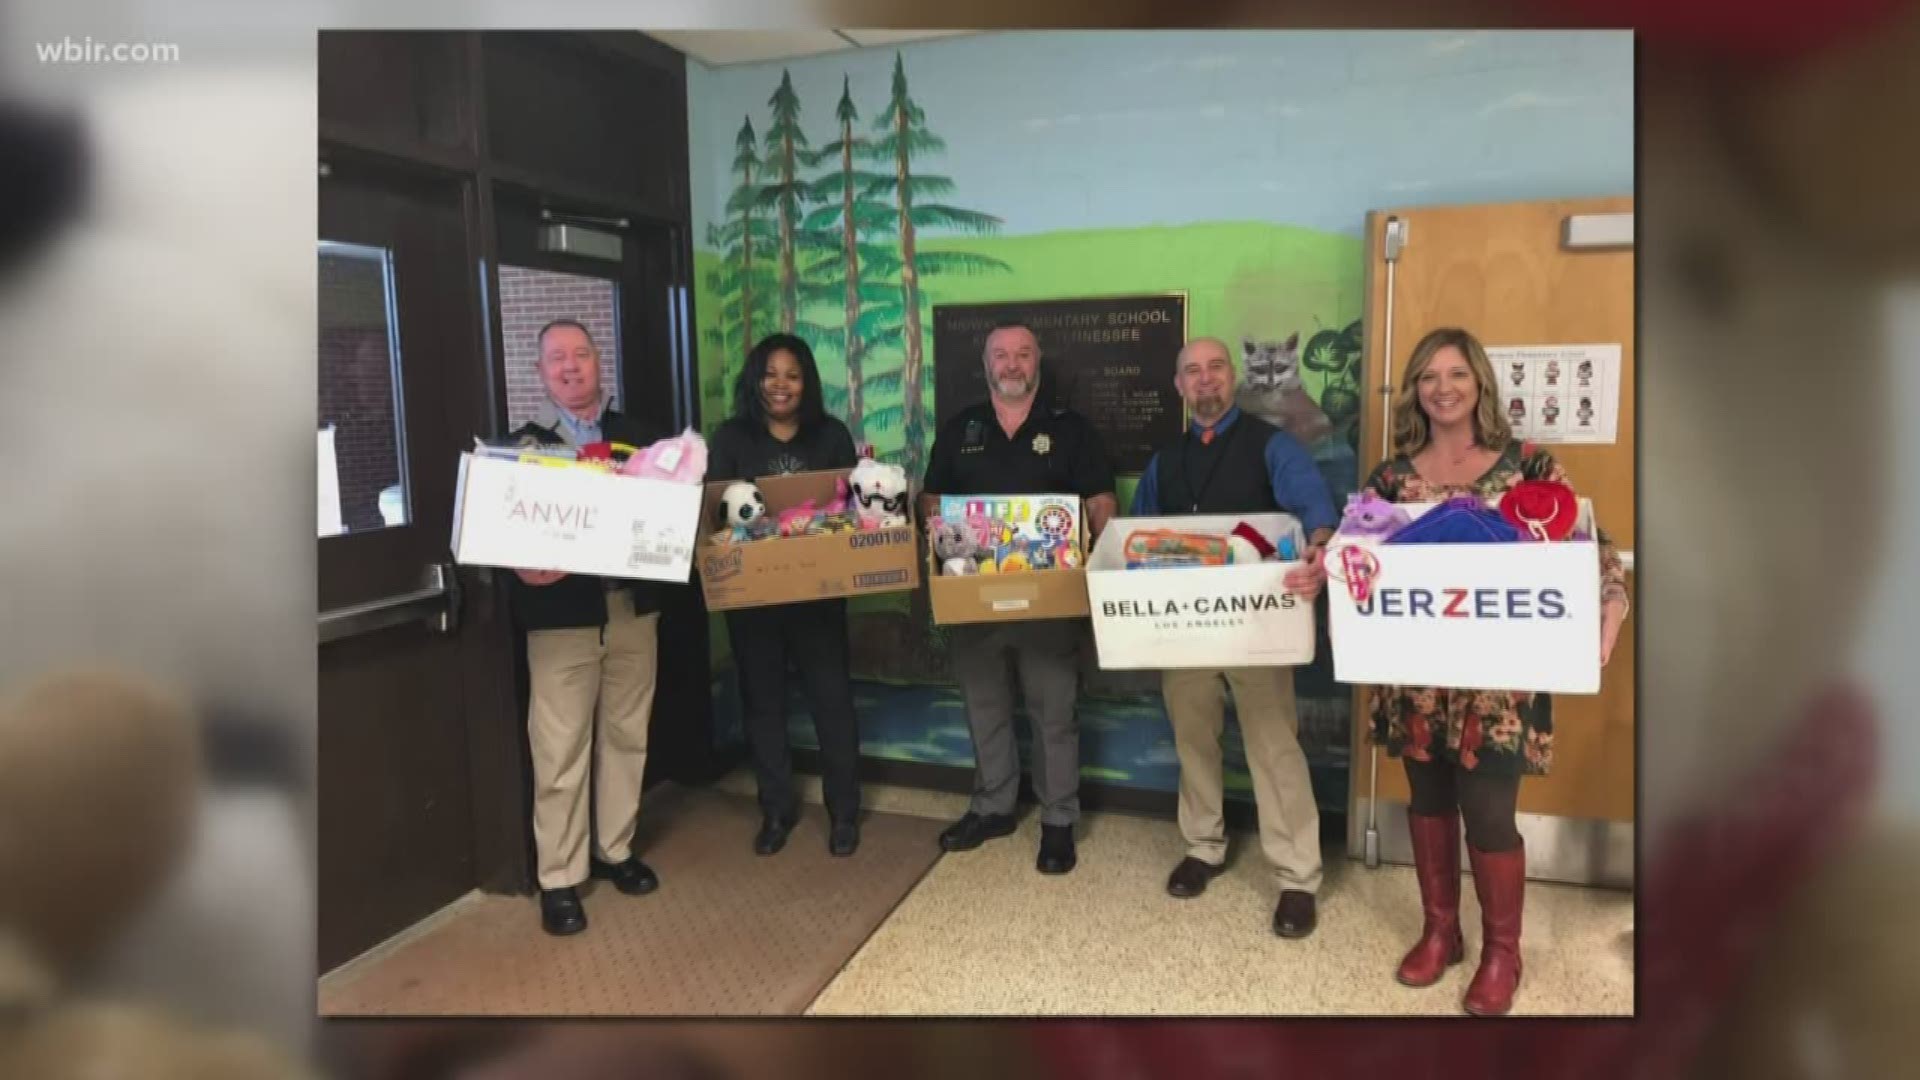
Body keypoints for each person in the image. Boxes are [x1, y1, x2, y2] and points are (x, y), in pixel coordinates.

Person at [1360, 327, 1629, 1015]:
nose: (1441, 387)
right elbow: (1356, 548)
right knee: (1426, 799)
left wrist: (1611, 601)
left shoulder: (1530, 467)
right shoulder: (1393, 477)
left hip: (1500, 684)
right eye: (1426, 376)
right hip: (1417, 673)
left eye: (1454, 373)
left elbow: (1586, 546)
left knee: (1487, 812)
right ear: (1415, 389)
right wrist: (1324, 558)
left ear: (1480, 382)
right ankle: (1440, 931)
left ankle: (1502, 951)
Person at [1129, 336, 1338, 938]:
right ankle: (1203, 846)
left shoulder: (1275, 448)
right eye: (1192, 371)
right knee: (1193, 737)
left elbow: (1317, 516)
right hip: (1185, 630)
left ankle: (1297, 877)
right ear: (1179, 386)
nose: (1205, 380)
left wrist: (1320, 551)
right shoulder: (1165, 462)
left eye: (1215, 367)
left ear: (1233, 376)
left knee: (1274, 746)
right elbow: (1138, 536)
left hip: (1259, 626)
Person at [918, 319, 1118, 874]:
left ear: (1037, 363)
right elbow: (931, 500)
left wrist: (1091, 537)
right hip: (974, 598)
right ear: (986, 366)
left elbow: (1103, 499)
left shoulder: (1071, 429)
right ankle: (994, 806)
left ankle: (1058, 821)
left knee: (1055, 711)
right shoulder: (961, 429)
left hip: (1049, 600)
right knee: (985, 707)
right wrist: (936, 520)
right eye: (1001, 355)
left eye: (1023, 355)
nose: (1012, 365)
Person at [504, 319, 664, 936]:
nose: (570, 367)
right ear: (541, 372)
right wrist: (520, 563)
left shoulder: (642, 441)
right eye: (556, 359)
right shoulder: (522, 446)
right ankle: (560, 877)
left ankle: (616, 850)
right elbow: (502, 531)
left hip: (630, 608)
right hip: (560, 620)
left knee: (627, 733)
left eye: (581, 355)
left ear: (600, 363)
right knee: (559, 747)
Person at [708, 333, 864, 858]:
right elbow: (715, 518)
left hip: (818, 599)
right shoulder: (731, 438)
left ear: (807, 383)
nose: (780, 385)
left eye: (792, 375)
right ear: (756, 379)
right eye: (771, 374)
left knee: (833, 703)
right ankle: (775, 810)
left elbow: (853, 513)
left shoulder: (830, 436)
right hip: (753, 604)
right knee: (763, 706)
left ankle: (845, 812)